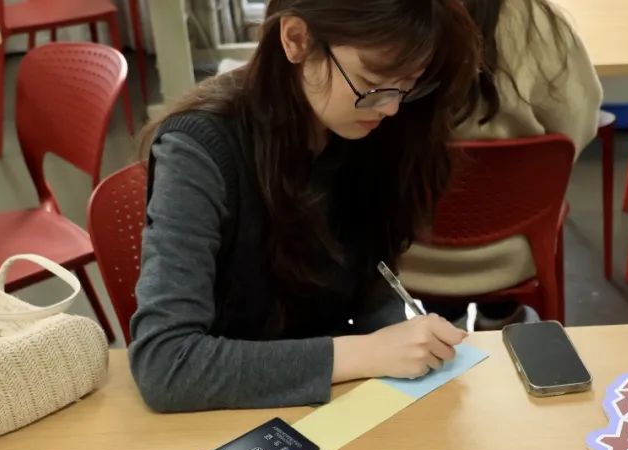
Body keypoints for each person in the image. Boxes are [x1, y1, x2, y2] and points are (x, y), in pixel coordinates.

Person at [128, 0, 481, 412]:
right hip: (221, 418)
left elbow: (367, 288)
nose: (390, 107)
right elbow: (166, 365)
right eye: (372, 83)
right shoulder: (200, 148)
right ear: (296, 40)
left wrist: (407, 341)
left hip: (328, 407)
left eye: (408, 84)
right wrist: (367, 352)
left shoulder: (370, 130)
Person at [398, 0, 603, 330]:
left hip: (407, 250)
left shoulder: (382, 18)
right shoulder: (539, 24)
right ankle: (502, 318)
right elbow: (579, 125)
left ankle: (444, 321)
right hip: (514, 248)